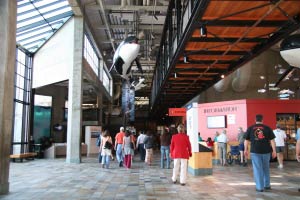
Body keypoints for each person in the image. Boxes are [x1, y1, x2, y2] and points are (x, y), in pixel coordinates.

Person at [244, 114, 276, 192]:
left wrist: (245, 149)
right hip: (266, 151)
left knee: (257, 169)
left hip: (255, 151)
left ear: (255, 120)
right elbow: (272, 140)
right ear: (262, 120)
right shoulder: (267, 128)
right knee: (266, 168)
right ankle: (267, 185)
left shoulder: (250, 128)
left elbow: (246, 140)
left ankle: (260, 187)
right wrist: (274, 151)